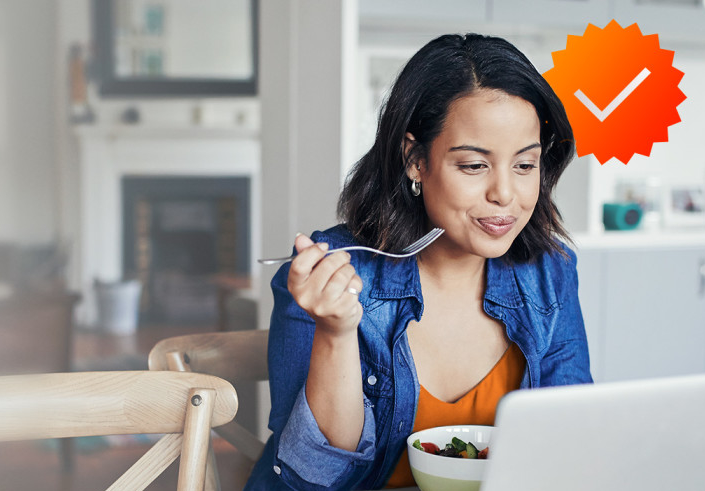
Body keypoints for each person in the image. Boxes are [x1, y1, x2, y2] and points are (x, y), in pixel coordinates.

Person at [245, 33, 592, 490]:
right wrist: (336, 332)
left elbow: (571, 444)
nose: (505, 195)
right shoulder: (332, 272)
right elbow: (313, 480)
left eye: (525, 166)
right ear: (415, 160)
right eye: (474, 166)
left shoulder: (549, 273)